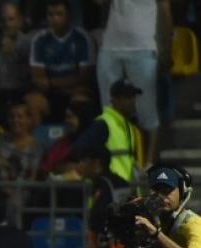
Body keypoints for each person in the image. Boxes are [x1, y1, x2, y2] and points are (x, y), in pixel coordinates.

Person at [96, 0, 173, 165]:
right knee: (109, 109)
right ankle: (113, 161)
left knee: (147, 109)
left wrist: (166, 49)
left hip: (143, 47)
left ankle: (149, 163)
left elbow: (165, 10)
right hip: (110, 47)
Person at [28, 0, 96, 121]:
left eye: (59, 14)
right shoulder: (39, 40)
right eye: (50, 14)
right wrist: (65, 82)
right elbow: (38, 79)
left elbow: (84, 77)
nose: (54, 19)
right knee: (33, 101)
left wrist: (50, 82)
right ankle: (36, 139)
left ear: (69, 16)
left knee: (81, 100)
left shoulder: (82, 38)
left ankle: (79, 138)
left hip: (75, 91)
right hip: (51, 93)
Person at [71, 79, 142, 185]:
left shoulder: (128, 126)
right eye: (127, 97)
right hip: (110, 189)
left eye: (133, 97)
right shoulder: (104, 123)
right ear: (114, 100)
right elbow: (79, 149)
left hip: (125, 188)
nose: (132, 101)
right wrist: (101, 172)